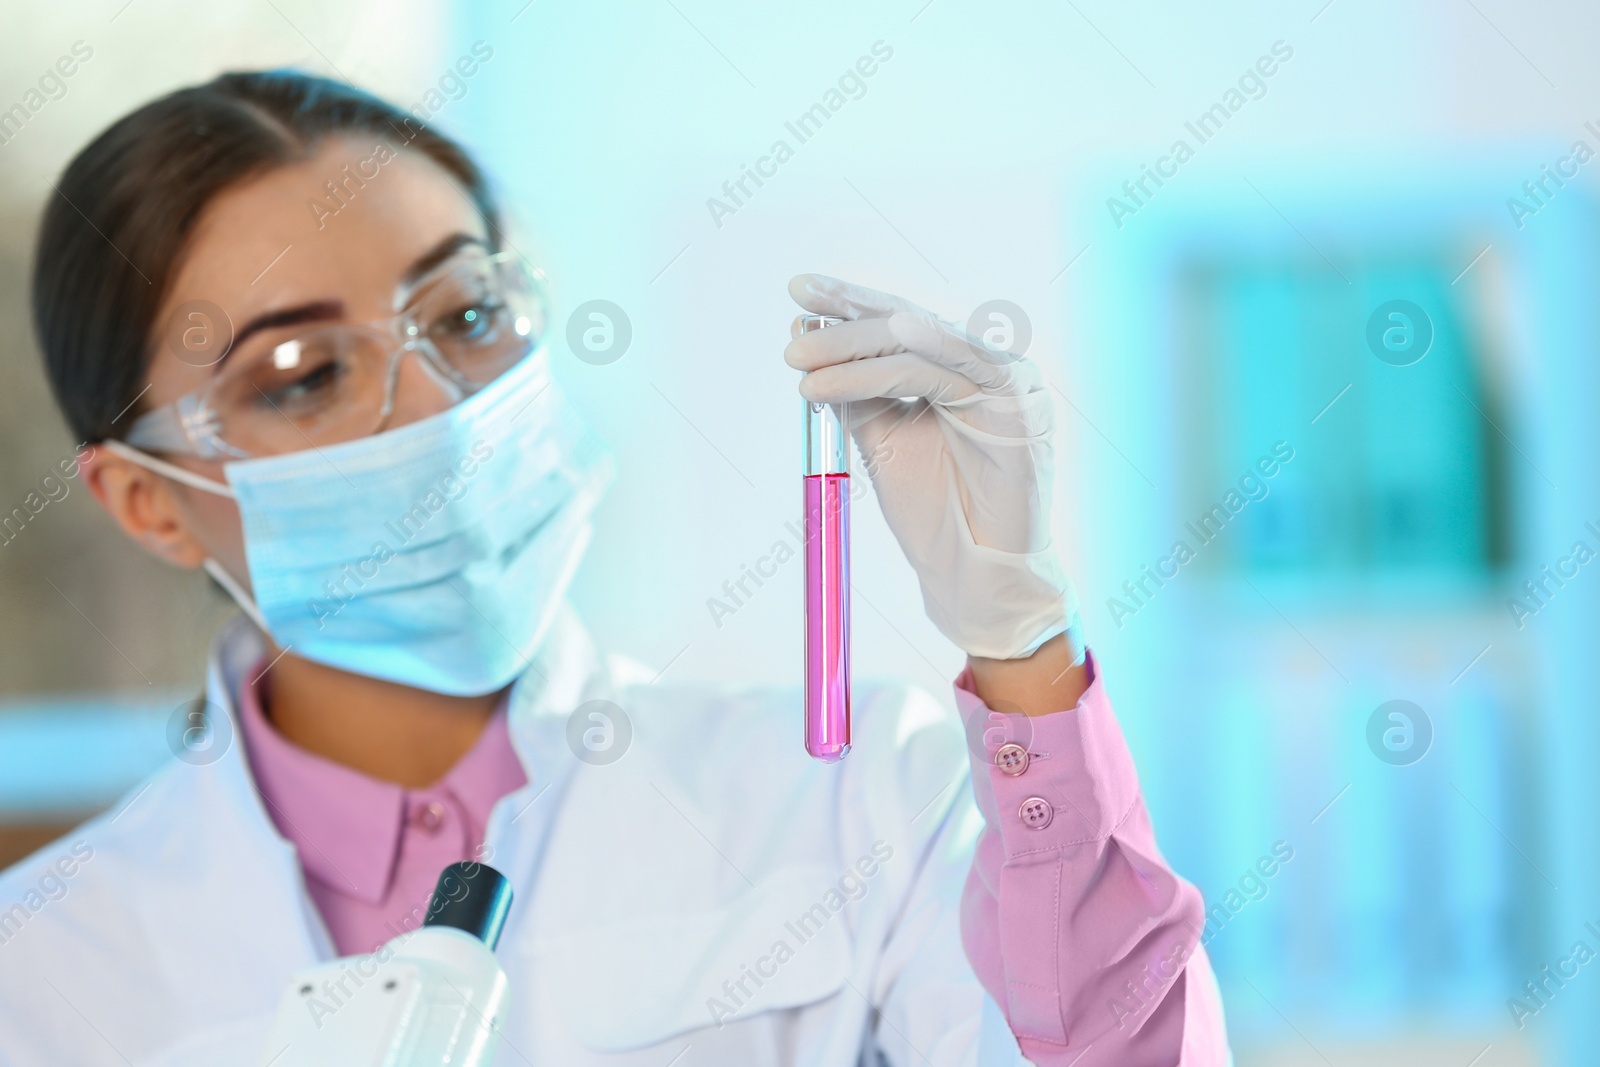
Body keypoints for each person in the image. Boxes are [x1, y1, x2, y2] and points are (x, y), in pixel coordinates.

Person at [0, 71, 1228, 1066]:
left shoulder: (858, 800)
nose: (435, 408)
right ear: (149, 501)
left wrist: (1023, 653)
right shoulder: (46, 971)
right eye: (304, 375)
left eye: (465, 315)